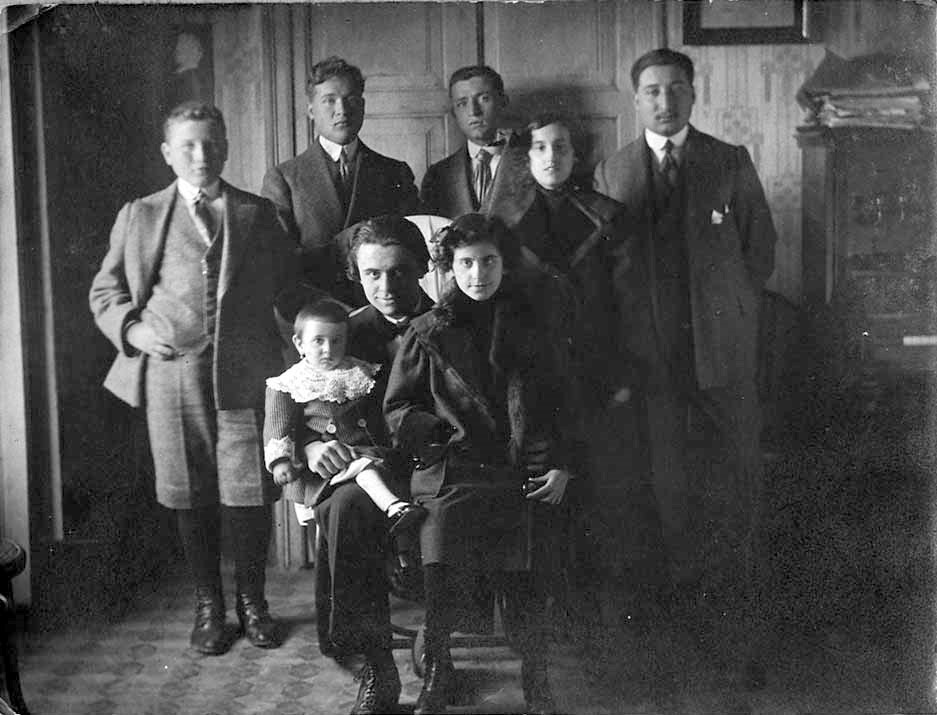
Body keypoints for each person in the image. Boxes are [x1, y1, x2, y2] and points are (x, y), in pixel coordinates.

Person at [593, 48, 777, 686]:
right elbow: (605, 273)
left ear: (693, 95)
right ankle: (678, 636)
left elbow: (761, 254)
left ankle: (737, 633)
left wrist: (725, 317)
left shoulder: (728, 162)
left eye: (675, 89)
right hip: (654, 366)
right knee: (667, 493)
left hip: (723, 362)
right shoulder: (613, 169)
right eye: (650, 90)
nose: (663, 100)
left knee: (735, 489)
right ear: (635, 98)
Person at [89, 102, 293, 655]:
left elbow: (287, 289)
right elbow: (106, 292)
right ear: (167, 153)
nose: (201, 156)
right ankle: (210, 606)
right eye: (188, 145)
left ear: (226, 146)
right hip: (172, 375)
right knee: (189, 492)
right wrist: (131, 330)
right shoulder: (142, 215)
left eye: (211, 143)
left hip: (245, 374)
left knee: (250, 490)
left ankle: (254, 602)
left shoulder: (257, 212)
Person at [384, 213, 579, 715]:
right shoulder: (426, 331)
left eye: (488, 261)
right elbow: (399, 408)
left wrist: (562, 465)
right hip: (453, 468)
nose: (477, 275)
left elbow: (566, 402)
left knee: (530, 554)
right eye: (466, 263)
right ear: (449, 267)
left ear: (504, 264)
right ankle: (440, 669)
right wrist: (438, 437)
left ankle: (534, 671)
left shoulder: (535, 325)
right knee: (441, 540)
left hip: (522, 468)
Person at [308, 216, 432, 715]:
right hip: (370, 468)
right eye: (372, 275)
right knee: (344, 506)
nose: (386, 287)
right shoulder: (343, 333)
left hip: (439, 462)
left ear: (422, 267)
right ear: (355, 276)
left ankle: (439, 649)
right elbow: (301, 402)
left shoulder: (450, 320)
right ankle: (378, 664)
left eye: (399, 272)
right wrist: (314, 449)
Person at [262, 56, 419, 310]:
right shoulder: (285, 178)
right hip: (316, 315)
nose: (342, 110)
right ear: (311, 111)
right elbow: (279, 262)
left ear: (363, 106)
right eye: (329, 100)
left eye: (351, 100)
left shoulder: (395, 172)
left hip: (384, 312)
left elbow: (413, 250)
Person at [263, 298, 426, 540]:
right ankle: (394, 507)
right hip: (324, 467)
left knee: (367, 477)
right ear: (299, 343)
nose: (328, 349)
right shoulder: (289, 383)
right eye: (318, 341)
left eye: (336, 340)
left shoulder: (361, 372)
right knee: (363, 471)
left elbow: (382, 412)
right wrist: (280, 462)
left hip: (365, 449)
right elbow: (278, 427)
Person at [420, 65, 524, 218]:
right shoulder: (438, 175)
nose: (474, 112)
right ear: (454, 113)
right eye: (462, 103)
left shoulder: (535, 161)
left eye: (484, 99)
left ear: (503, 101)